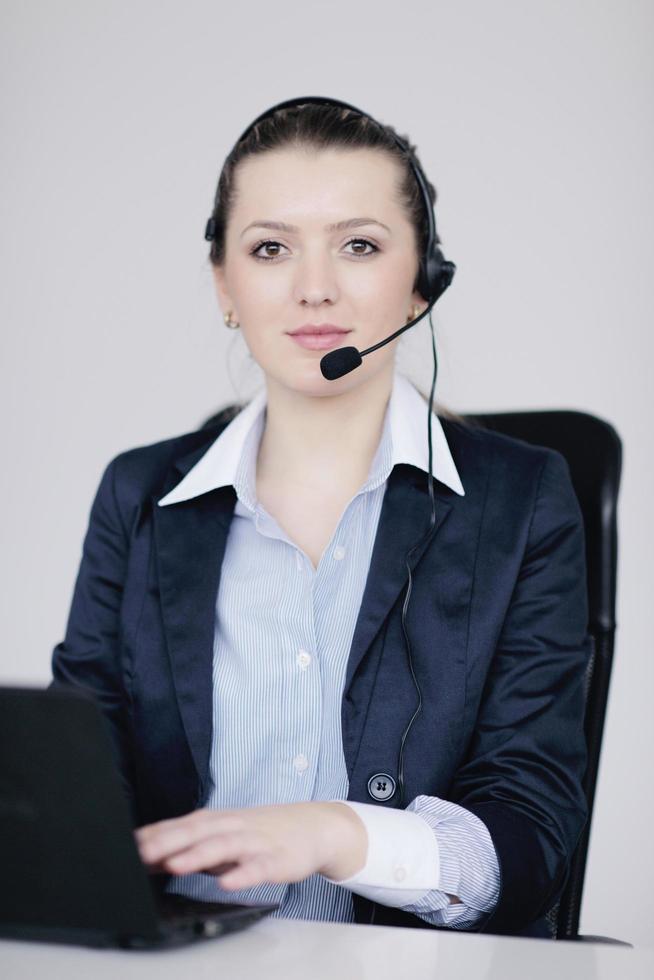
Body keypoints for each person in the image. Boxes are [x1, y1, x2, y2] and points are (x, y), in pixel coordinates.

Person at [50, 98, 592, 939]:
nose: (313, 288)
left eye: (360, 245)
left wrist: (338, 835)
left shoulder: (522, 501)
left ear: (422, 284)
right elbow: (82, 786)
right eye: (270, 248)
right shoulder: (140, 496)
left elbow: (530, 839)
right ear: (226, 285)